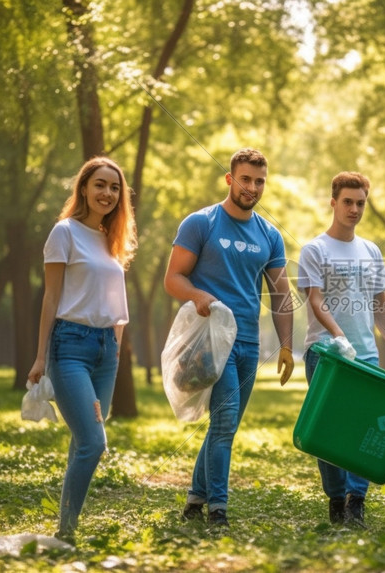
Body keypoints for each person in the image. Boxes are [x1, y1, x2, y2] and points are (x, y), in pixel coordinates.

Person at [164, 148, 294, 528]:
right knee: (224, 423)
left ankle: (195, 498)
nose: (252, 187)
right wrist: (198, 295)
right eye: (245, 179)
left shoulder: (270, 235)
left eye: (259, 181)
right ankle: (217, 509)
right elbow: (174, 278)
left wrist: (286, 345)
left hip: (248, 344)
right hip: (210, 340)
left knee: (226, 423)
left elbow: (281, 294)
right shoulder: (201, 223)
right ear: (229, 179)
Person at [27, 156, 138, 544]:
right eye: (100, 185)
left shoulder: (113, 239)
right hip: (69, 347)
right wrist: (41, 356)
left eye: (114, 187)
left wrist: (117, 351)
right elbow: (51, 297)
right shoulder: (65, 233)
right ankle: (67, 530)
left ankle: (66, 525)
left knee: (82, 440)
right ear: (84, 189)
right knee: (94, 442)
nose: (107, 193)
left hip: (106, 350)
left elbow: (117, 303)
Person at [298, 171, 385, 528]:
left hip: (366, 356)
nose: (355, 209)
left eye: (361, 203)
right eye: (348, 202)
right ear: (333, 202)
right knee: (328, 432)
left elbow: (382, 307)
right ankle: (335, 497)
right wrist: (338, 336)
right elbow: (315, 301)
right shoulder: (315, 249)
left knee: (363, 430)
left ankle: (356, 500)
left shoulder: (371, 251)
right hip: (326, 354)